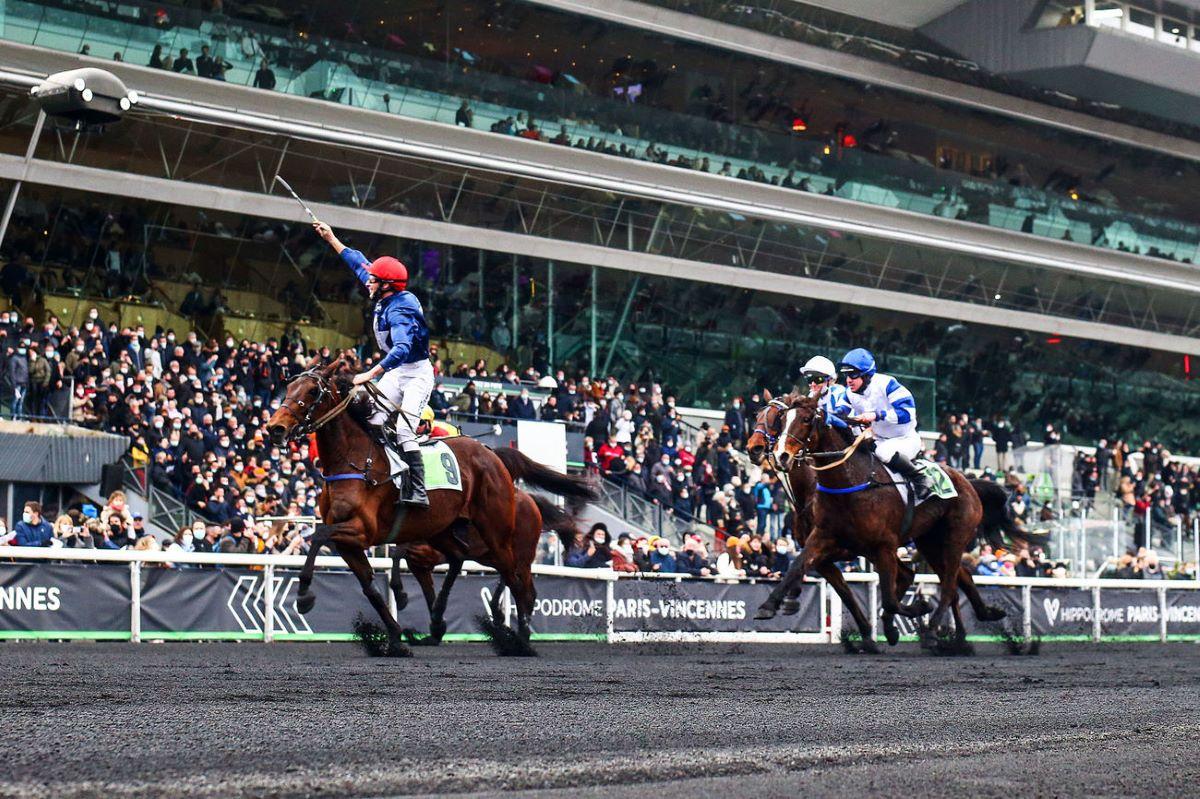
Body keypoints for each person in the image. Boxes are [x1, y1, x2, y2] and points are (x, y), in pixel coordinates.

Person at [313, 220, 433, 507]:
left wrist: (370, 373)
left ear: (386, 285)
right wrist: (332, 238)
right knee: (374, 420)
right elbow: (359, 263)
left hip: (416, 374)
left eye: (374, 280)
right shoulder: (384, 289)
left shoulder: (401, 310)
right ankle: (384, 475)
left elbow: (402, 348)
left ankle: (419, 491)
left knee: (405, 430)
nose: (368, 281)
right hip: (397, 370)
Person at [838, 348, 930, 499]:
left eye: (853, 375)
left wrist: (875, 415)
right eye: (846, 375)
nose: (848, 380)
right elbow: (839, 413)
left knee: (883, 452)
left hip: (904, 439)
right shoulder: (849, 393)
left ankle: (920, 478)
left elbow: (908, 413)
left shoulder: (888, 384)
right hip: (878, 439)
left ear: (866, 375)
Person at [799, 355, 850, 428]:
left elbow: (843, 415)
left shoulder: (840, 393)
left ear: (830, 380)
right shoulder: (810, 396)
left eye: (818, 380)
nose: (813, 384)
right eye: (809, 380)